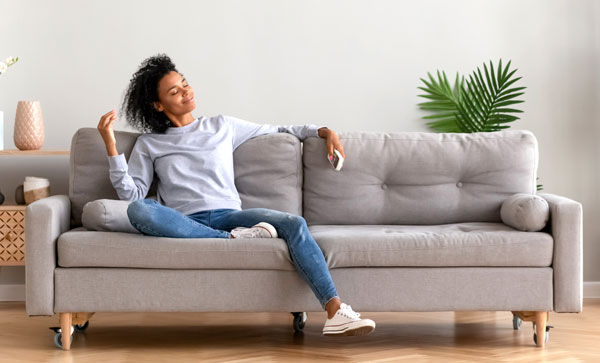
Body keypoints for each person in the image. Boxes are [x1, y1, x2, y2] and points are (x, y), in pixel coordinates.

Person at [97, 54, 375, 336]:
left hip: (230, 215)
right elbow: (132, 195)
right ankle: (232, 239)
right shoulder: (150, 143)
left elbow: (280, 129)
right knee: (139, 211)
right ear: (158, 105)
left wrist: (325, 131)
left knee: (295, 223)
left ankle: (335, 311)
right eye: (174, 91)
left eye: (185, 84)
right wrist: (110, 144)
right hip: (185, 223)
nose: (186, 92)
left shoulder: (222, 126)